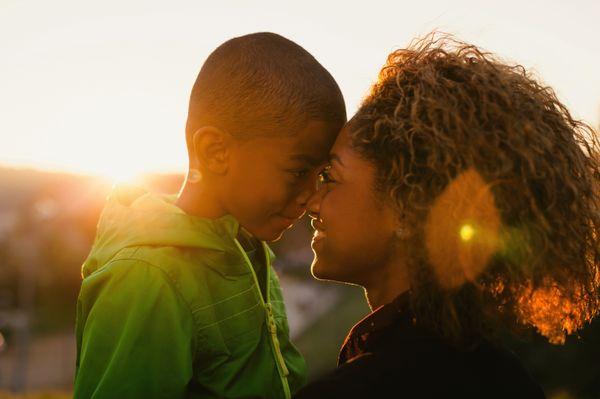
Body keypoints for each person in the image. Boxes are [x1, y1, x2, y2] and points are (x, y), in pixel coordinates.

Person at [295, 34, 599, 398]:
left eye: (330, 177)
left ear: (407, 207)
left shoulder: (360, 389)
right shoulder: (514, 382)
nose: (311, 203)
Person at [74, 32, 346, 399]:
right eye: (299, 172)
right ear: (216, 151)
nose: (311, 197)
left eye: (322, 175)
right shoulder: (148, 278)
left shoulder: (245, 246)